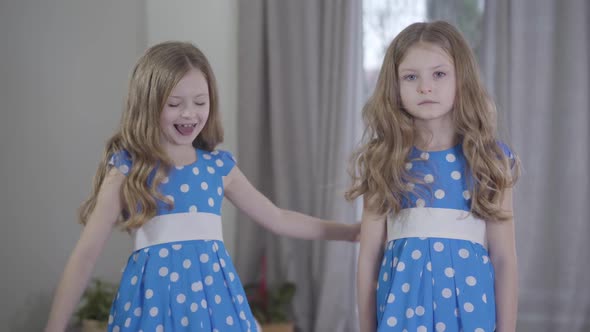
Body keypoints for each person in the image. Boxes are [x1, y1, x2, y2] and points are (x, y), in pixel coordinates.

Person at [44, 41, 360, 332]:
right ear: (148, 103)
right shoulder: (128, 168)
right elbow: (85, 255)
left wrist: (348, 232)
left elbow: (278, 218)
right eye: (175, 103)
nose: (189, 113)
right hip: (151, 310)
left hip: (216, 309)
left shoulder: (218, 167)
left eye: (200, 101)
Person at [347, 21, 520, 332]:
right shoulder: (384, 158)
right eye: (411, 77)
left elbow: (504, 258)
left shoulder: (490, 159)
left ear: (461, 79)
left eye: (439, 74)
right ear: (395, 87)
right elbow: (369, 257)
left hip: (471, 315)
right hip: (401, 315)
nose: (425, 87)